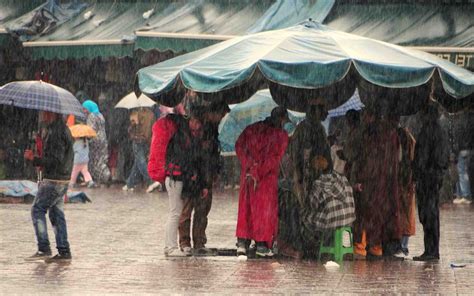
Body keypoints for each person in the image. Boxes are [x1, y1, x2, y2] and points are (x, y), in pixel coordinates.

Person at [278, 98, 332, 259]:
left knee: (310, 210)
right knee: (304, 210)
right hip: (305, 178)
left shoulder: (315, 128)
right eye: (322, 110)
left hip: (312, 177)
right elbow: (298, 156)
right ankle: (303, 245)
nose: (325, 114)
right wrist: (301, 175)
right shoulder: (307, 129)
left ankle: (307, 244)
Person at [148, 106, 202, 257]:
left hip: (173, 177)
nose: (197, 126)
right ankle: (170, 247)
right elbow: (181, 158)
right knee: (175, 213)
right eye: (195, 122)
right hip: (174, 178)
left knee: (175, 212)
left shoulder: (179, 135)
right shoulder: (180, 138)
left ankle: (170, 246)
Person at [235, 106, 289, 258]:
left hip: (248, 176)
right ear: (281, 119)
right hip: (265, 180)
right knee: (264, 212)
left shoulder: (251, 129)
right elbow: (274, 159)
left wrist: (250, 166)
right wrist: (258, 172)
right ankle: (261, 244)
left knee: (246, 210)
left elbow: (239, 146)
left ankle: (242, 243)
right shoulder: (281, 135)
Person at [179, 103, 230, 255]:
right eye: (220, 115)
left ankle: (199, 242)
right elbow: (200, 158)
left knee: (201, 211)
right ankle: (185, 242)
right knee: (187, 210)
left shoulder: (211, 131)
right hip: (192, 177)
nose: (221, 118)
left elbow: (209, 159)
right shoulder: (195, 133)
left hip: (202, 177)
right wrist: (201, 180)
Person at [24, 111, 74, 262]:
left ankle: (43, 247)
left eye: (45, 112)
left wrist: (35, 159)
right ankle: (64, 251)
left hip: (54, 179)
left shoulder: (56, 133)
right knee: (56, 213)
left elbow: (54, 160)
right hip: (63, 179)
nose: (42, 114)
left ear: (52, 113)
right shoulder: (62, 130)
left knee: (37, 210)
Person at [412, 103, 449, 261]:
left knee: (428, 214)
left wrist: (417, 173)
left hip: (427, 178)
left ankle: (431, 251)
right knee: (431, 213)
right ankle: (432, 250)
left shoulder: (428, 131)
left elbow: (423, 157)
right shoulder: (440, 130)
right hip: (434, 177)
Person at [122, 108, 160, 193]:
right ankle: (129, 183)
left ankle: (151, 181)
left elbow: (131, 130)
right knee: (138, 163)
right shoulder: (152, 114)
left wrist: (133, 124)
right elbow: (153, 129)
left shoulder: (136, 113)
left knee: (141, 162)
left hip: (138, 140)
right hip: (145, 141)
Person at [82, 100, 111, 185]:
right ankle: (104, 176)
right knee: (101, 160)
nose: (84, 111)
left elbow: (91, 130)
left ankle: (101, 177)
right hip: (103, 140)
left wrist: (85, 136)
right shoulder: (100, 115)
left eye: (85, 109)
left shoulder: (91, 116)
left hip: (95, 141)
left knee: (94, 161)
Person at [453, 108, 473, 204]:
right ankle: (460, 194)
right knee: (463, 172)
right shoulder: (470, 120)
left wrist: (456, 150)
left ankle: (465, 195)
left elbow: (458, 137)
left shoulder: (461, 122)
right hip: (469, 148)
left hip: (463, 149)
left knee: (462, 172)